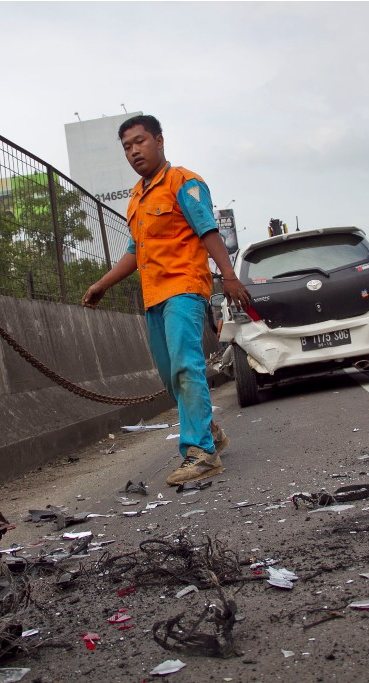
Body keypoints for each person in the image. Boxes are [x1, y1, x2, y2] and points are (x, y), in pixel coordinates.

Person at [81, 115, 250, 485]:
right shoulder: (136, 198)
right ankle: (211, 432)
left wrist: (230, 275)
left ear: (159, 141)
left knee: (186, 368)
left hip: (185, 289)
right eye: (127, 146)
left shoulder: (183, 182)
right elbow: (133, 252)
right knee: (171, 377)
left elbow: (208, 230)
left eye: (140, 141)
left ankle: (201, 453)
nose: (134, 151)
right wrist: (101, 284)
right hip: (154, 297)